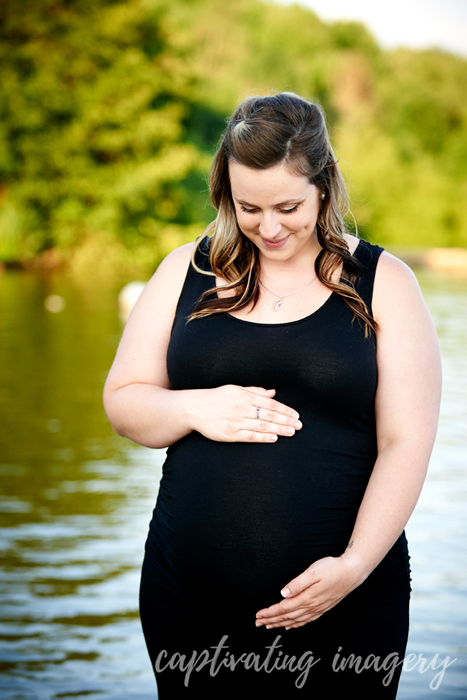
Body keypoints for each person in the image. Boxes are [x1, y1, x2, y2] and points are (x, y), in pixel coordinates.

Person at [103, 92, 441, 698]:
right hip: (188, 604)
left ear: (324, 185)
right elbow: (124, 402)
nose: (270, 226)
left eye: (288, 206)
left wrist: (354, 567)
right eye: (249, 207)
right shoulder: (186, 272)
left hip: (346, 601)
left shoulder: (384, 284)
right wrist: (191, 407)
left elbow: (406, 441)